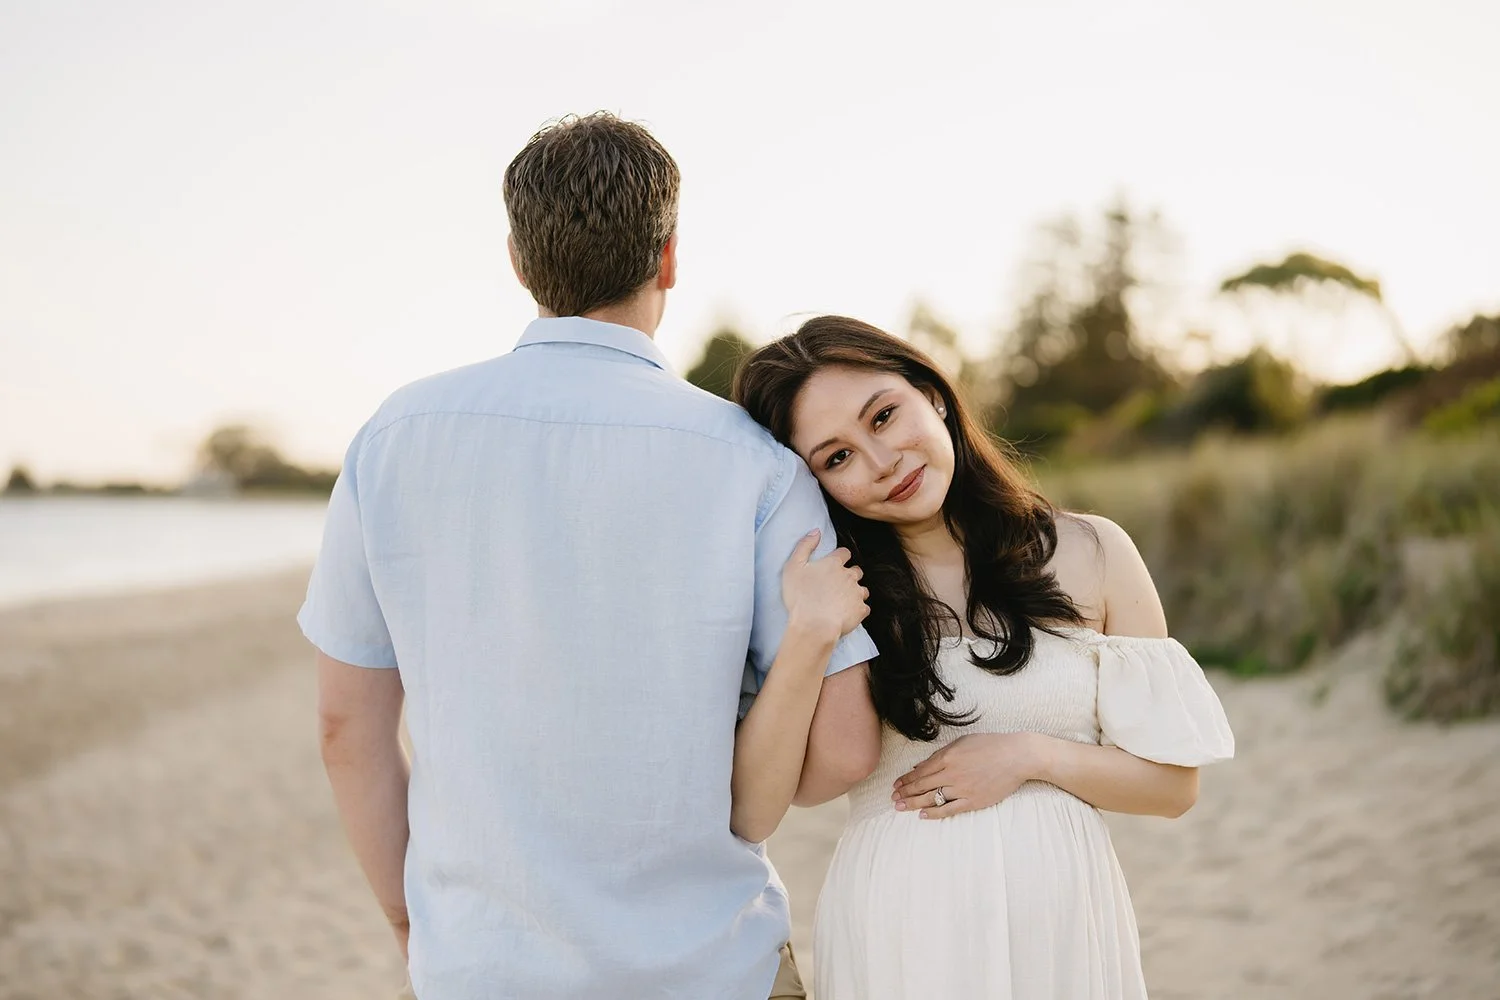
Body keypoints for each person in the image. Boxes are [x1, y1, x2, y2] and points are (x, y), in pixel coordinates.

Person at [299, 113, 879, 1000]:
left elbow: (349, 729)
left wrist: (410, 923)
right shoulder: (756, 464)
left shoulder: (395, 439)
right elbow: (842, 750)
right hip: (713, 964)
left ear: (519, 261)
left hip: (480, 968)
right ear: (669, 258)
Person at [734, 315, 1236, 1000]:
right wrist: (811, 631)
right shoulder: (838, 596)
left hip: (1062, 926)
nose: (882, 462)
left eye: (882, 417)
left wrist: (1032, 756)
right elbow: (801, 791)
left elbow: (1174, 788)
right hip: (904, 930)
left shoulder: (1093, 551)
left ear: (931, 393)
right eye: (837, 458)